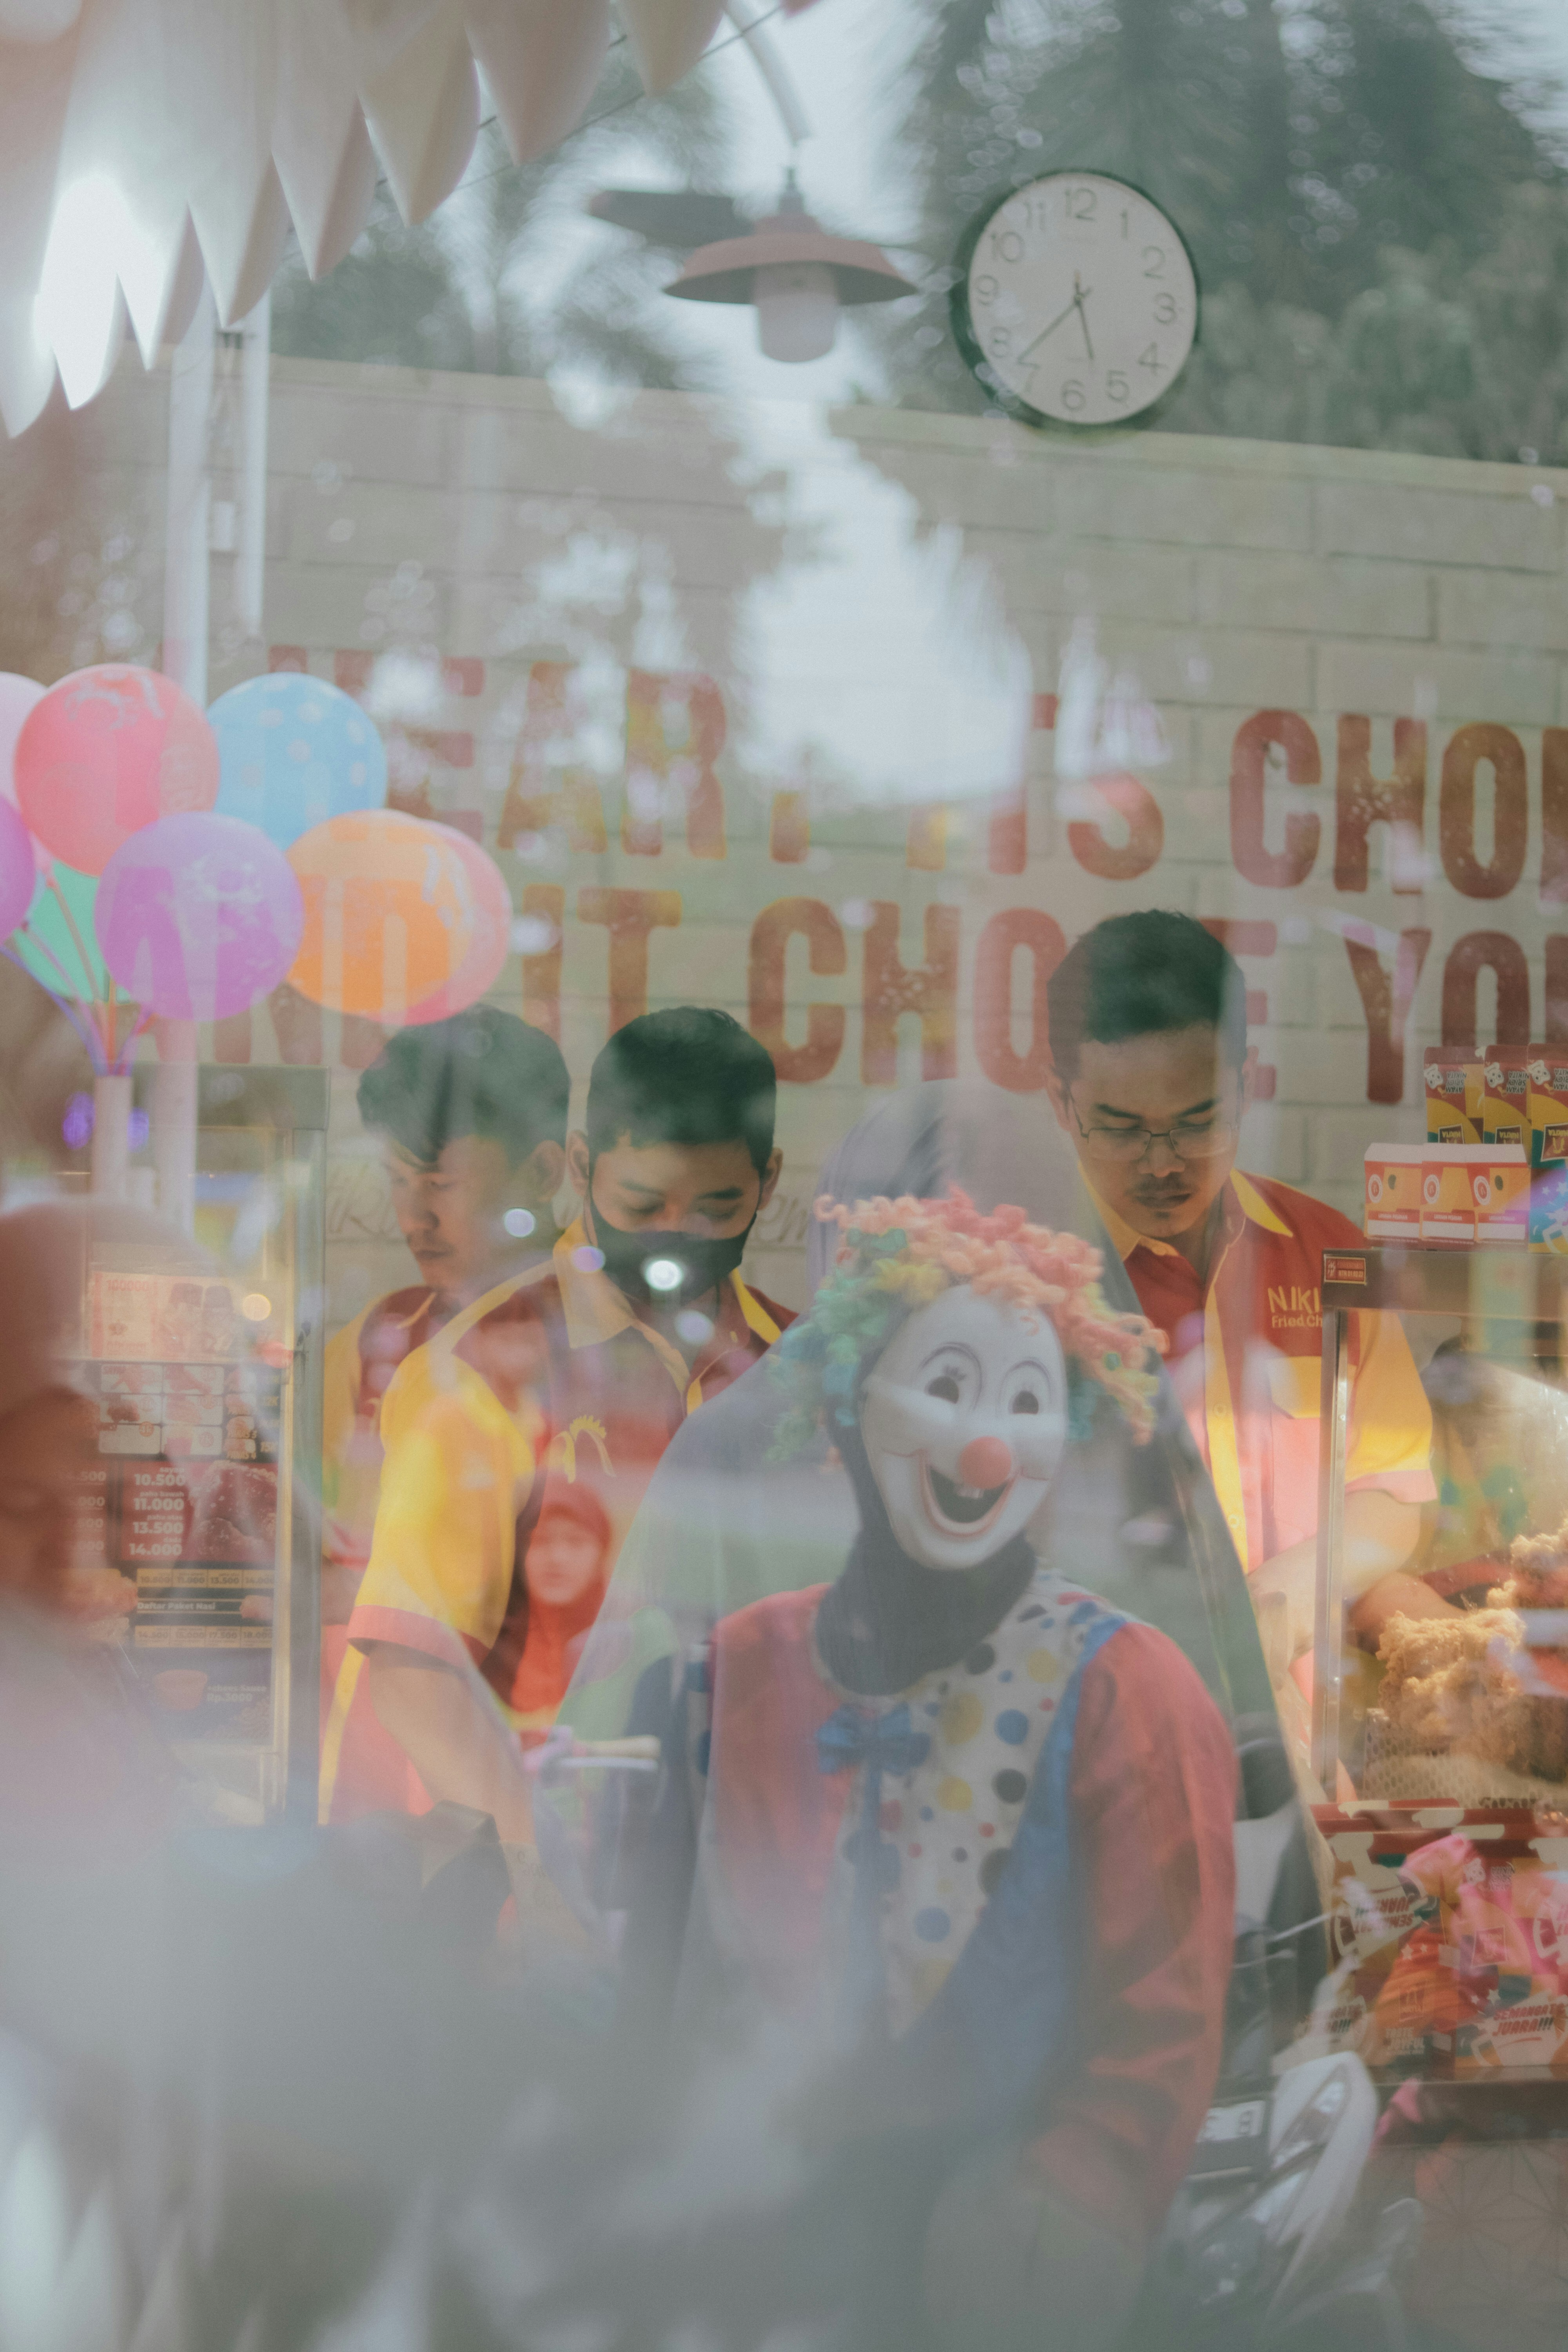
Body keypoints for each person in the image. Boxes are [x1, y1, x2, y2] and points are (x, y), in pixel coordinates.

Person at [625, 1192, 1238, 2352]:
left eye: (1026, 1402)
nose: (987, 1442)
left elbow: (1158, 2030)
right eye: (946, 1387)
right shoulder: (737, 1670)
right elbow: (660, 1979)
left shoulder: (1128, 1692)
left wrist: (1064, 2210)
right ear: (850, 1405)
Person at [338, 1007, 793, 1839]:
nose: (672, 1241)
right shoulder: (483, 1372)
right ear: (582, 1168)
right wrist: (540, 1876)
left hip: (746, 1852)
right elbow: (416, 1671)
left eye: (715, 1210)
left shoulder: (807, 1369)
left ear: (768, 1181)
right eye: (642, 1203)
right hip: (549, 1847)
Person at [1043, 911, 1436, 1685]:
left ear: (1248, 1085)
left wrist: (1288, 1588)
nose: (1162, 1165)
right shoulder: (1028, 1280)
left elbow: (1390, 1493)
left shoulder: (1325, 1253)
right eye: (1120, 1129)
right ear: (1062, 1106)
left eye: (1198, 1123)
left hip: (1307, 1727)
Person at [318, 1007, 572, 1820]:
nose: (413, 1217)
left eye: (442, 1184)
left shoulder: (585, 1341)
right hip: (381, 1787)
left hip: (478, 1803)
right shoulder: (376, 1343)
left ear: (543, 1170)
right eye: (399, 1182)